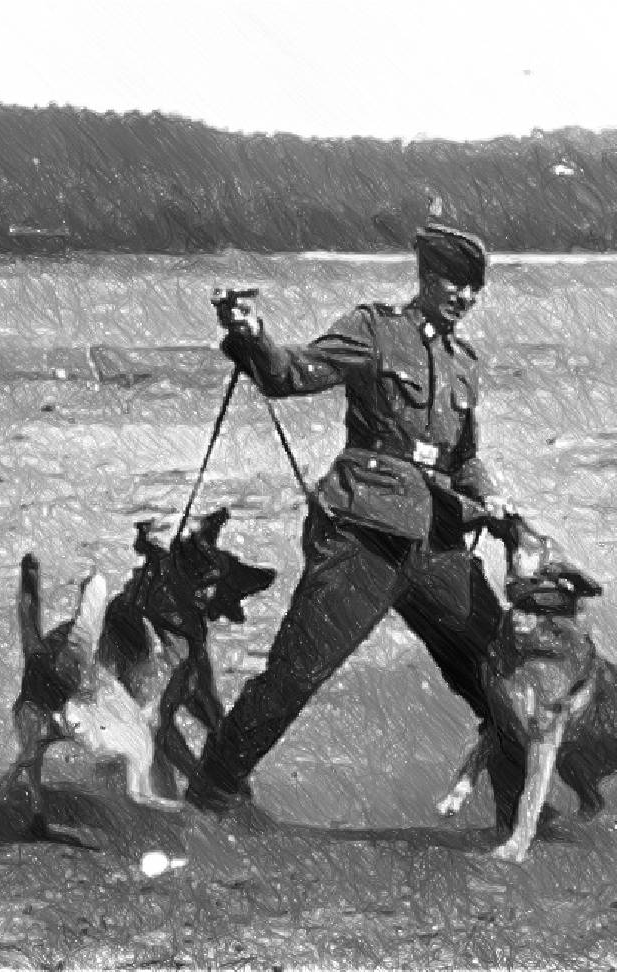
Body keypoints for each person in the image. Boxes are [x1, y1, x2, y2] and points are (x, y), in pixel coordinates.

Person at [186, 221, 512, 813]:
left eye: (474, 288)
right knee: (294, 675)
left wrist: (490, 496)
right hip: (365, 536)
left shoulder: (464, 363)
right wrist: (253, 337)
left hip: (438, 543)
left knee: (500, 677)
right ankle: (210, 796)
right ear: (426, 277)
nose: (464, 297)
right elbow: (292, 373)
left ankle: (521, 817)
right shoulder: (375, 330)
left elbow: (465, 459)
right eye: (454, 283)